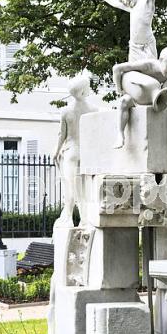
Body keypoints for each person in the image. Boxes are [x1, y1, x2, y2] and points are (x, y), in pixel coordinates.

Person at [112, 47, 167, 149]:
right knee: (123, 102)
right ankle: (120, 135)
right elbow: (117, 69)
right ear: (161, 60)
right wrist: (119, 88)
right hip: (136, 96)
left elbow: (164, 89)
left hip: (154, 98)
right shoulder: (148, 65)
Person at [53, 74, 99, 228]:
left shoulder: (66, 111)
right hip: (86, 154)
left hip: (71, 152)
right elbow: (94, 135)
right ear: (83, 91)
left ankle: (68, 218)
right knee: (85, 189)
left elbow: (62, 134)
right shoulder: (93, 110)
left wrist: (56, 151)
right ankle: (85, 219)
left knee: (70, 186)